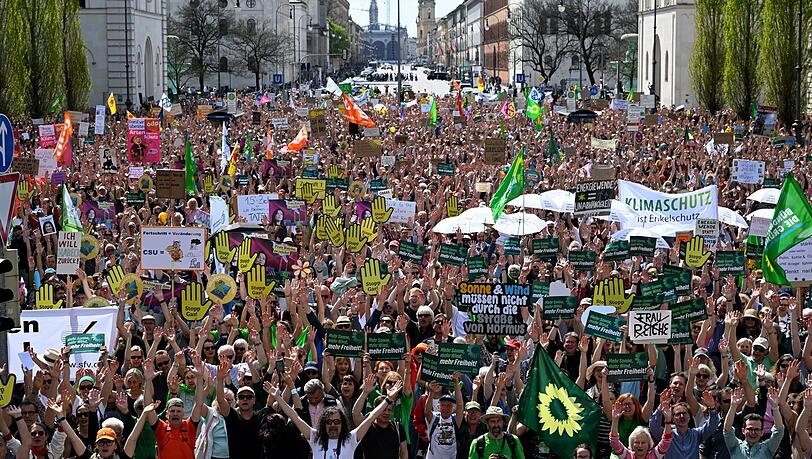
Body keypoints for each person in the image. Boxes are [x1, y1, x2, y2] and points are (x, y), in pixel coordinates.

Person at [268, 379, 403, 459]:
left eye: (337, 422)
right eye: (329, 422)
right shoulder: (315, 438)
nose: (333, 425)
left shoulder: (351, 438)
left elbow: (372, 416)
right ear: (323, 424)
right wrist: (278, 397)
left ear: (342, 424)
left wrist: (388, 399)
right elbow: (294, 417)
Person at [723, 385, 784, 458]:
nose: (753, 432)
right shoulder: (735, 446)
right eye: (750, 429)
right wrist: (733, 406)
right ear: (743, 430)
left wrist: (775, 407)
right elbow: (727, 430)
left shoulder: (767, 448)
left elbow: (779, 431)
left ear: (762, 432)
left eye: (757, 429)